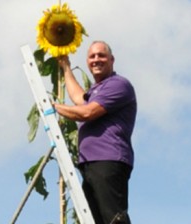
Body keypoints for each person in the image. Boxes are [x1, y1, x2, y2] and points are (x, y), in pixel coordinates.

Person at [53, 41, 137, 224]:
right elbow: (78, 99)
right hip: (90, 163)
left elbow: (87, 112)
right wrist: (66, 67)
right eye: (92, 56)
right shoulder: (96, 90)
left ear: (112, 59)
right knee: (94, 219)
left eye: (101, 55)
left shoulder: (118, 84)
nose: (96, 60)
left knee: (113, 218)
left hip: (108, 159)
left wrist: (54, 107)